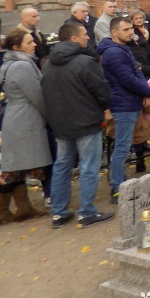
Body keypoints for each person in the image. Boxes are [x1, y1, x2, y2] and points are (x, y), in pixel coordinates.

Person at [42, 21, 114, 228]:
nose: (87, 37)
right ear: (74, 39)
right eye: (84, 35)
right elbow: (102, 91)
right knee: (89, 167)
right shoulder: (84, 62)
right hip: (85, 122)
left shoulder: (48, 64)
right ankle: (87, 212)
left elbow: (45, 91)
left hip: (61, 123)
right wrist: (104, 107)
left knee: (62, 166)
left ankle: (58, 212)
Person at [0, 29, 51, 224]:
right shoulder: (22, 66)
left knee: (18, 165)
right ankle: (0, 210)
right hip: (25, 120)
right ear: (16, 47)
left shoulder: (10, 63)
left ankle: (23, 207)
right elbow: (37, 94)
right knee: (14, 168)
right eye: (29, 42)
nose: (34, 44)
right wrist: (50, 115)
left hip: (18, 117)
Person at [98, 16, 150, 203]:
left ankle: (120, 183)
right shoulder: (114, 53)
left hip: (129, 101)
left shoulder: (122, 49)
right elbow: (127, 79)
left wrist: (145, 91)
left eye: (131, 28)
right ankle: (117, 188)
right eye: (125, 30)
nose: (131, 32)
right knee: (121, 148)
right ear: (114, 32)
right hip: (123, 105)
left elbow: (136, 73)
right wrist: (148, 90)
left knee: (123, 146)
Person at [128, 8, 150, 77]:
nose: (139, 20)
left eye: (140, 18)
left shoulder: (147, 28)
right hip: (142, 62)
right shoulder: (132, 32)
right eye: (136, 18)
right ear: (132, 20)